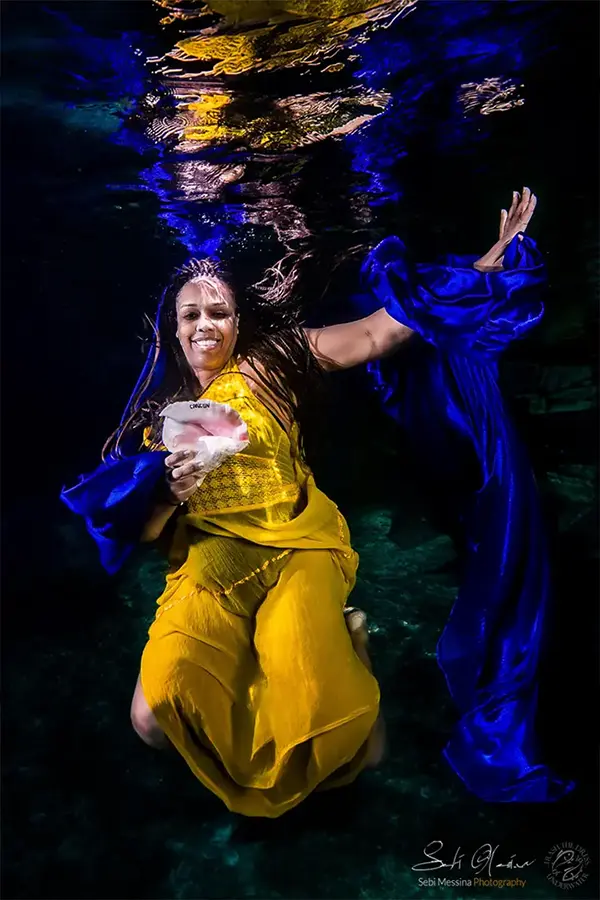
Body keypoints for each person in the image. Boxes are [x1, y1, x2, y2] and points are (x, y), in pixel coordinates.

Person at [62, 189, 542, 816]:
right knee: (152, 719)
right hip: (212, 561)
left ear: (238, 322)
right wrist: (168, 493)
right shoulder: (154, 421)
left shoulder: (275, 363)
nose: (206, 324)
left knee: (360, 750)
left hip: (297, 548)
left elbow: (376, 333)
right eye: (191, 315)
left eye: (220, 311)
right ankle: (257, 670)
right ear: (172, 327)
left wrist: (483, 268)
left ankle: (351, 637)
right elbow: (150, 533)